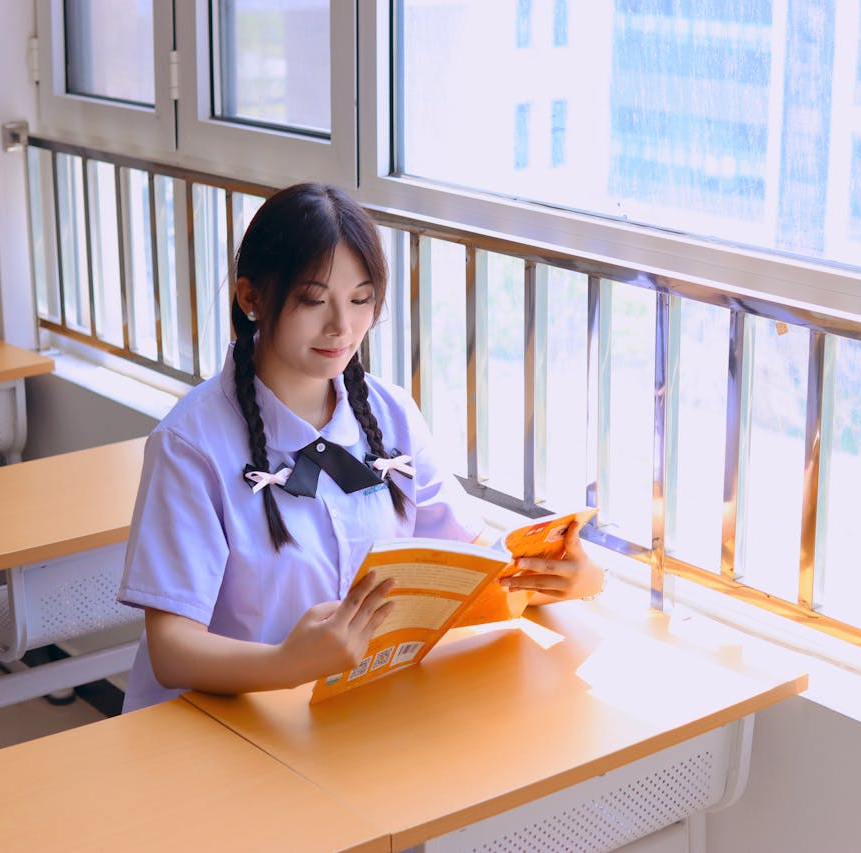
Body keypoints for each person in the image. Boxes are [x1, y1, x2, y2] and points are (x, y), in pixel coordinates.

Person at [117, 182, 603, 712]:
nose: (342, 327)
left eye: (360, 299)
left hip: (347, 712)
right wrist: (286, 664)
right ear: (251, 296)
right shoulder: (190, 445)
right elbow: (171, 652)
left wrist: (565, 577)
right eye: (312, 300)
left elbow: (467, 566)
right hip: (215, 727)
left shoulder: (391, 413)